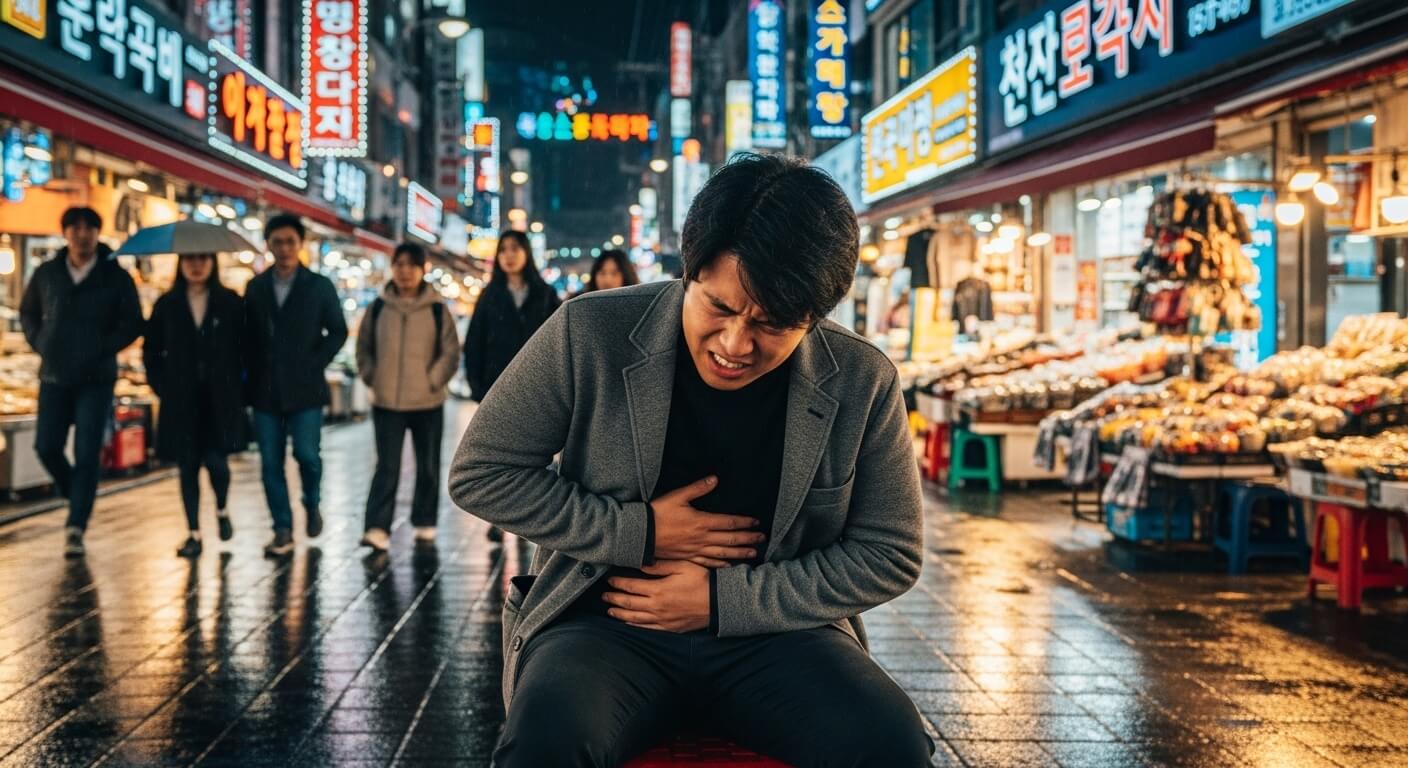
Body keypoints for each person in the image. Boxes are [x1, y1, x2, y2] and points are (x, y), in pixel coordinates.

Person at [450, 154, 931, 766]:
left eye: (773, 324)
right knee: (546, 741)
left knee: (889, 742)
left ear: (814, 316)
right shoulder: (590, 331)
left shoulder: (861, 378)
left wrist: (722, 599)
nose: (735, 345)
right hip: (604, 622)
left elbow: (890, 552)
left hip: (780, 634)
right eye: (720, 308)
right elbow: (483, 472)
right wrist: (640, 532)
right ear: (689, 273)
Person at [20, 206, 143, 558]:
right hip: (55, 375)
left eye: (89, 228)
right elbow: (27, 311)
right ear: (66, 233)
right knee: (46, 446)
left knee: (88, 452)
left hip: (97, 378)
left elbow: (133, 321)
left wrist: (104, 346)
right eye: (75, 228)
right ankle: (75, 492)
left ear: (97, 233)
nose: (82, 234)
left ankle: (76, 525)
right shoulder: (47, 273)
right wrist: (40, 341)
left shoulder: (115, 276)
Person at [243, 214, 348, 557]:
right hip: (265, 389)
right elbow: (247, 336)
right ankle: (282, 528)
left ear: (300, 244)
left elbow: (338, 330)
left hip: (306, 389)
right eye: (277, 242)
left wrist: (313, 361)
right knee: (270, 462)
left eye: (290, 241)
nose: (284, 248)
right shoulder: (256, 288)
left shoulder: (319, 286)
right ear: (269, 245)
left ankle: (311, 502)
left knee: (307, 455)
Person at [355, 242, 461, 552]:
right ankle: (377, 527)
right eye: (399, 264)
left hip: (427, 401)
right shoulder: (378, 308)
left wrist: (433, 380)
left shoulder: (437, 310)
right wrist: (373, 376)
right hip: (387, 401)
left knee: (428, 465)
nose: (404, 271)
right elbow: (363, 349)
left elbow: (450, 351)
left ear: (422, 270)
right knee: (386, 466)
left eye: (410, 265)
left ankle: (425, 520)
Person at [144, 252, 246, 558]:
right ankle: (193, 533)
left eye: (203, 258)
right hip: (181, 400)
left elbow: (246, 347)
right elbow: (152, 352)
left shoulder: (230, 302)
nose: (196, 265)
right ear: (180, 264)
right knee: (187, 468)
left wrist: (239, 387)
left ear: (213, 263)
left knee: (217, 463)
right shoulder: (167, 305)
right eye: (190, 259)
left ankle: (222, 509)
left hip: (220, 400)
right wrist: (163, 387)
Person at [462, 230, 560, 542]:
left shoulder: (544, 294)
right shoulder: (490, 296)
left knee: (537, 458)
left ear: (527, 253)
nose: (509, 255)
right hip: (496, 389)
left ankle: (531, 517)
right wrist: (478, 387)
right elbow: (474, 343)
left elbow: (559, 340)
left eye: (515, 249)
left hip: (537, 388)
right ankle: (500, 516)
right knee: (501, 457)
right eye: (503, 249)